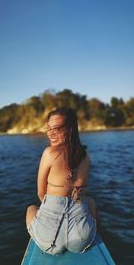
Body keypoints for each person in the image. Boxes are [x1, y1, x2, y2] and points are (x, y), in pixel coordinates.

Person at [26, 107, 97, 255]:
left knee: (31, 209)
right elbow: (84, 192)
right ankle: (95, 234)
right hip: (81, 238)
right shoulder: (86, 156)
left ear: (70, 129)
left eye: (56, 128)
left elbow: (41, 194)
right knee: (90, 201)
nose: (51, 133)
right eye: (49, 128)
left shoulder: (49, 153)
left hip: (50, 240)